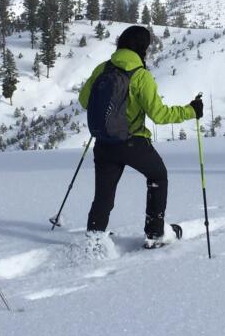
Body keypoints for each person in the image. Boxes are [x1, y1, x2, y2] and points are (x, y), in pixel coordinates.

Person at [78, 25, 202, 250]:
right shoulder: (141, 76)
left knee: (104, 194)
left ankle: (95, 238)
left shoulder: (103, 69)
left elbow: (84, 101)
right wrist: (191, 111)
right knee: (158, 175)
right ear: (142, 48)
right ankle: (155, 233)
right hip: (132, 142)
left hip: (104, 143)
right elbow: (160, 115)